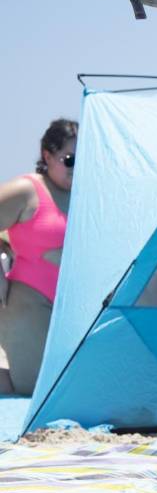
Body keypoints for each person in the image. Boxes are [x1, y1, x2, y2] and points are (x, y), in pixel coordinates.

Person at [0, 119, 77, 395]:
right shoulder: (26, 190)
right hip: (28, 301)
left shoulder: (86, 195)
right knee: (34, 389)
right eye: (70, 159)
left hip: (69, 310)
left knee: (68, 387)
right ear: (47, 156)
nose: (76, 168)